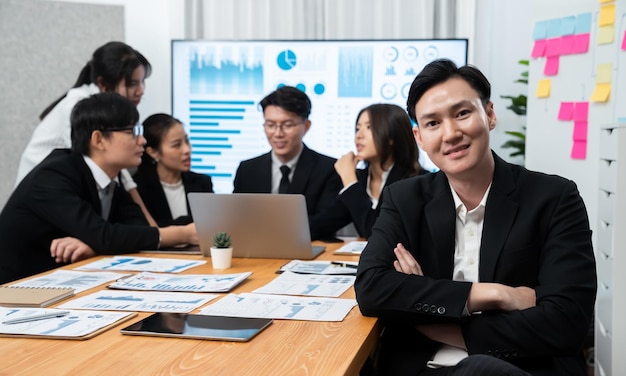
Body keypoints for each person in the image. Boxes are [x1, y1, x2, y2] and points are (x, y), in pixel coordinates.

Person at [354, 59, 596, 375]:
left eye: (462, 113)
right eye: (433, 123)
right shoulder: (405, 199)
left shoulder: (554, 197)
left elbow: (566, 321)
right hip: (420, 366)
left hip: (524, 367)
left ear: (490, 115)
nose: (451, 133)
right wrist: (495, 294)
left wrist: (425, 314)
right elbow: (372, 288)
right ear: (419, 137)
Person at [0, 93, 198, 284]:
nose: (142, 140)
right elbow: (104, 236)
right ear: (98, 140)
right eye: (132, 132)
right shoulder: (54, 175)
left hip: (61, 283)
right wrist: (185, 234)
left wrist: (94, 246)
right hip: (15, 289)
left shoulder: (113, 177)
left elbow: (138, 230)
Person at [15, 41, 157, 226]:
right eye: (131, 83)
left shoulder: (96, 105)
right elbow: (118, 170)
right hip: (44, 201)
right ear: (103, 84)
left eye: (142, 81)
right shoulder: (81, 108)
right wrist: (155, 230)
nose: (140, 91)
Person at [232, 85, 342, 240]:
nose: (278, 133)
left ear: (306, 126)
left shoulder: (329, 169)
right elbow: (237, 218)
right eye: (270, 125)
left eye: (287, 125)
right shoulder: (248, 170)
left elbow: (325, 223)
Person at [310, 103, 426, 239]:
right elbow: (322, 224)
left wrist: (350, 181)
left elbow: (376, 233)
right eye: (357, 128)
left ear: (392, 137)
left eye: (369, 127)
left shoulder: (416, 181)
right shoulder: (361, 178)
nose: (359, 135)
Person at [133, 113, 213, 227]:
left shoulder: (202, 183)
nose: (187, 150)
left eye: (187, 141)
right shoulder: (138, 189)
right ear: (153, 152)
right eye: (177, 145)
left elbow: (211, 225)